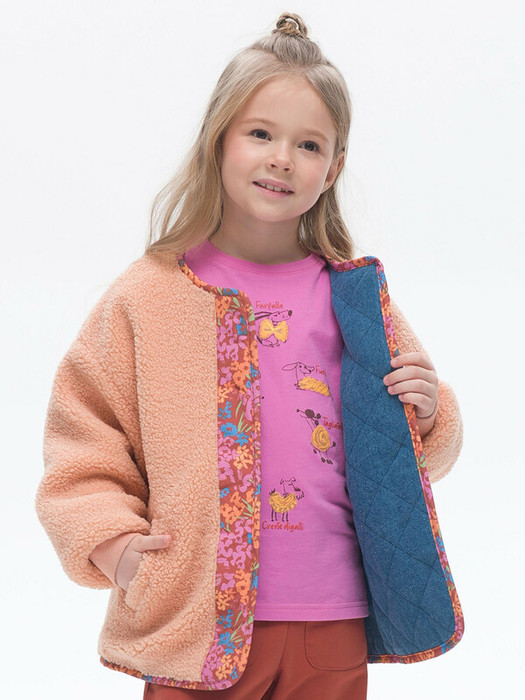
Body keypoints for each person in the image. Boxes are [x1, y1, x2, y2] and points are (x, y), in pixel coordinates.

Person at [35, 12, 464, 700]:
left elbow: (419, 449)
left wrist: (430, 411)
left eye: (308, 144)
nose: (281, 158)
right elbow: (82, 435)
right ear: (219, 140)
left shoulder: (354, 297)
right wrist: (111, 545)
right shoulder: (151, 293)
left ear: (333, 168)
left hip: (333, 620)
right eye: (260, 133)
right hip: (194, 625)